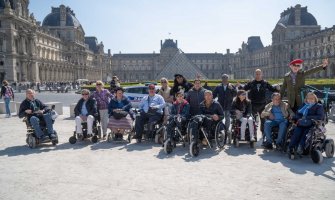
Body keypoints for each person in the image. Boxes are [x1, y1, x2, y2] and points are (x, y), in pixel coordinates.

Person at [239, 69, 278, 137]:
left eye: (259, 74)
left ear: (261, 74)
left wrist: (278, 89)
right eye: (257, 74)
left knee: (263, 121)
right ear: (255, 74)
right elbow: (243, 89)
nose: (258, 75)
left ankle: (263, 135)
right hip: (253, 104)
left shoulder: (265, 83)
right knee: (252, 121)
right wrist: (239, 86)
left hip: (262, 104)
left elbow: (272, 89)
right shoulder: (251, 83)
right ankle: (253, 134)